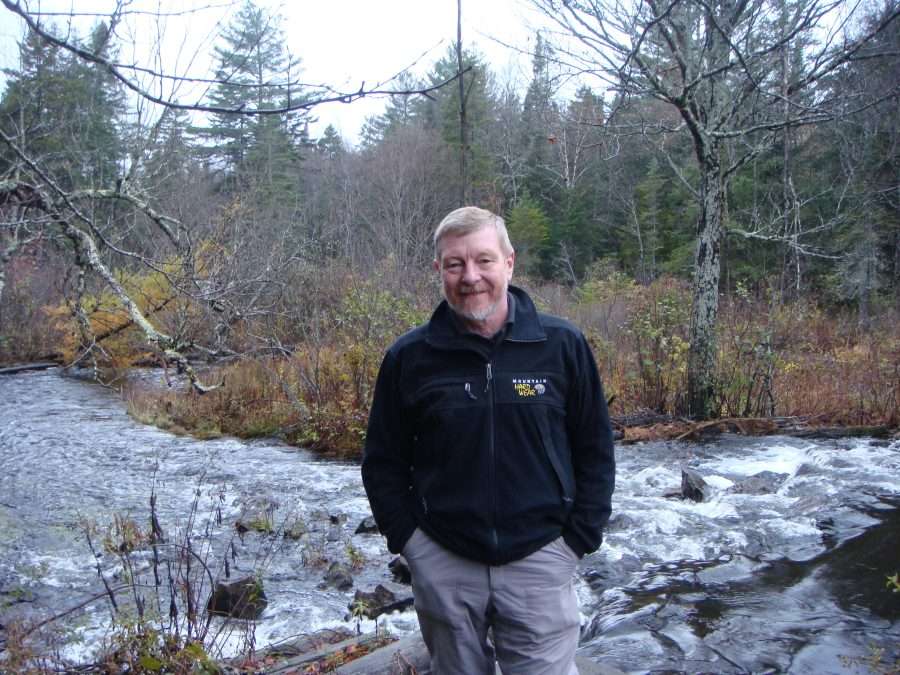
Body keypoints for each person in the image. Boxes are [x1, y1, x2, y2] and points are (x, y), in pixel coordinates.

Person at [361, 206, 615, 675]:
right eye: (455, 264)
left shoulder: (561, 345)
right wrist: (413, 546)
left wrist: (576, 541)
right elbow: (382, 463)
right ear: (439, 270)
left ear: (510, 262)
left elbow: (595, 450)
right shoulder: (410, 357)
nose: (470, 276)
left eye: (484, 260)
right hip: (446, 561)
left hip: (542, 559)